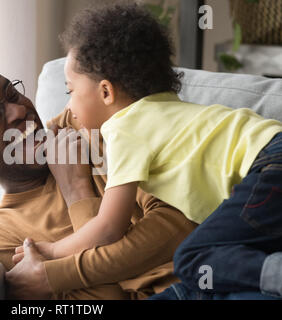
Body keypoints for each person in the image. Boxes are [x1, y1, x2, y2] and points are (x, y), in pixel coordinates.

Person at [22, 3, 281, 299]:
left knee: (194, 257)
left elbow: (108, 228)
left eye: (70, 91)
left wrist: (52, 250)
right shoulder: (164, 106)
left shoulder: (123, 129)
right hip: (270, 160)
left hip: (268, 166)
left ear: (106, 92)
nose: (68, 107)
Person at [0, 63, 197, 299]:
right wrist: (77, 192)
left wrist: (65, 270)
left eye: (12, 94)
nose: (18, 111)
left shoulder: (84, 124)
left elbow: (182, 219)